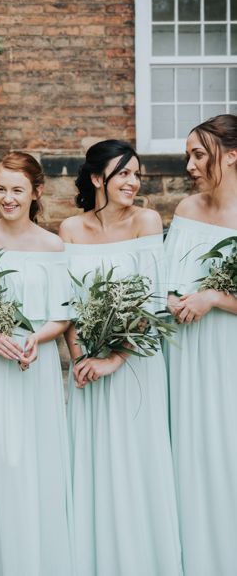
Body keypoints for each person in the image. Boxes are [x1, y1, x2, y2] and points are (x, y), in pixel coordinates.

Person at [59, 139, 182, 576]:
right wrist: (79, 359)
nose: (133, 182)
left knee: (135, 463)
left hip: (136, 365)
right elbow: (68, 307)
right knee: (94, 467)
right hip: (88, 368)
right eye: (124, 174)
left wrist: (115, 359)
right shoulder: (70, 230)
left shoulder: (146, 220)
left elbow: (151, 304)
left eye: (136, 174)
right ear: (97, 179)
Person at [0, 152, 74, 576]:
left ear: (36, 193)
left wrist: (35, 338)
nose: (7, 197)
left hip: (34, 368)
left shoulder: (53, 245)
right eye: (1, 188)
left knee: (34, 464)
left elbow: (62, 315)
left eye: (17, 190)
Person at [164, 115, 237, 575]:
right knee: (188, 454)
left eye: (198, 154)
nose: (189, 164)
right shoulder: (186, 212)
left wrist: (214, 297)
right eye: (188, 155)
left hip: (228, 353)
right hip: (186, 355)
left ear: (231, 155)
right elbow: (166, 284)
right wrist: (175, 300)